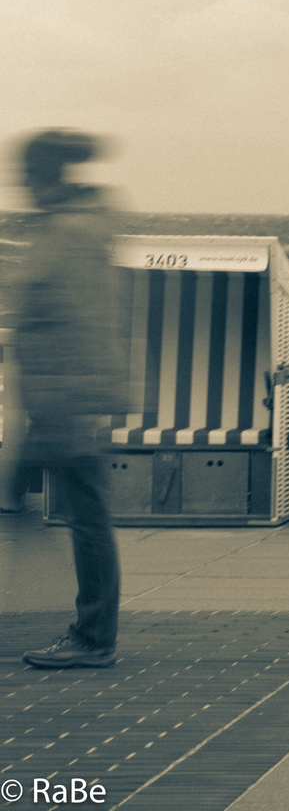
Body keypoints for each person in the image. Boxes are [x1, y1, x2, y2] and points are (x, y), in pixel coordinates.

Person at [11, 129, 125, 669]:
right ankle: (91, 630)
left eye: (27, 176)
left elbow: (79, 327)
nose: (20, 186)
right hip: (56, 402)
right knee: (79, 516)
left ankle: (94, 635)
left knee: (84, 518)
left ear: (49, 177)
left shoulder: (71, 235)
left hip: (64, 404)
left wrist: (62, 415)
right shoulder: (67, 229)